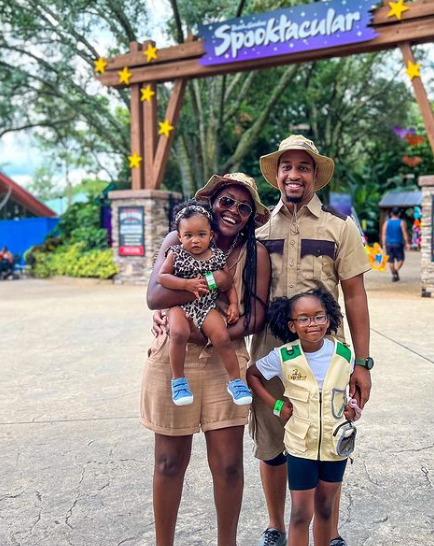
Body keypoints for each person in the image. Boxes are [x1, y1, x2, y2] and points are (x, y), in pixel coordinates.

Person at [250, 135, 373, 546]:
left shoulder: (340, 228)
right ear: (278, 174)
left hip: (327, 356)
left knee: (327, 439)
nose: (294, 174)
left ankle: (329, 532)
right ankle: (276, 527)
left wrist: (363, 362)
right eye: (287, 167)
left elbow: (355, 295)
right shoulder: (260, 228)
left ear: (315, 175)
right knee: (272, 438)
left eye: (303, 167)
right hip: (271, 350)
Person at [143, 173, 271, 546]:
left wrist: (215, 333)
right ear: (212, 203)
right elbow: (154, 296)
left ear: (251, 216)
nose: (234, 211)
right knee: (169, 462)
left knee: (229, 465)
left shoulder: (255, 254)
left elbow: (255, 316)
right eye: (227, 202)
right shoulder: (175, 241)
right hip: (174, 355)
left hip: (224, 357)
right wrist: (189, 305)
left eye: (244, 207)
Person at [247, 288, 358, 546]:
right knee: (300, 514)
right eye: (304, 318)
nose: (313, 324)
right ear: (292, 324)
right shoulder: (285, 356)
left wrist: (354, 409)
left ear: (329, 319)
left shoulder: (344, 354)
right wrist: (276, 405)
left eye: (319, 317)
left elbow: (347, 392)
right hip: (300, 447)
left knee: (326, 510)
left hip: (335, 446)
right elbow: (252, 375)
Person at [158, 200, 253, 407]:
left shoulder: (217, 256)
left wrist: (234, 305)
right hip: (179, 307)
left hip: (206, 306)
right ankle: (179, 381)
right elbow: (162, 277)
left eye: (201, 234)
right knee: (178, 333)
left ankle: (236, 382)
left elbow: (228, 284)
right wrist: (185, 284)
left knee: (222, 336)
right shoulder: (176, 254)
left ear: (211, 235)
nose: (195, 240)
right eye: (188, 235)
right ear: (179, 236)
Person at [381, 208, 410, 282]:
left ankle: (394, 275)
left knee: (391, 261)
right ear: (399, 214)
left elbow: (383, 234)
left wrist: (384, 245)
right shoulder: (401, 222)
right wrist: (407, 243)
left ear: (391, 214)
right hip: (398, 244)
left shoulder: (387, 223)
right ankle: (396, 271)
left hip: (388, 244)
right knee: (401, 259)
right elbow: (404, 233)